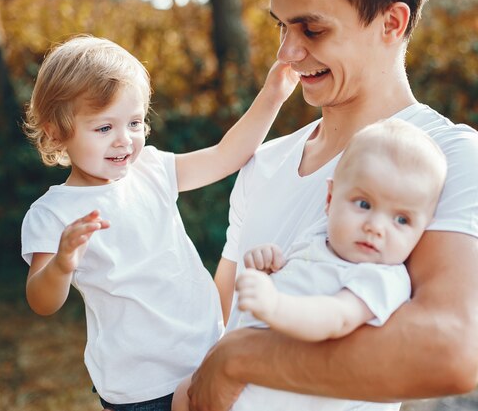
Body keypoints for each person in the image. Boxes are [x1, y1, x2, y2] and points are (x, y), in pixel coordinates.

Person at [186, 0, 478, 410]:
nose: (287, 52)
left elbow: (450, 352)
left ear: (391, 23)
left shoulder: (448, 154)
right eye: (280, 26)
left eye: (312, 29)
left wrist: (235, 362)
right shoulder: (265, 161)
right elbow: (220, 322)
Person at [20, 35, 297, 411]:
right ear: (56, 131)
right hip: (141, 389)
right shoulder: (53, 213)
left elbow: (224, 156)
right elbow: (41, 301)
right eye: (104, 128)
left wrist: (272, 95)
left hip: (206, 353)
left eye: (134, 122)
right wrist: (62, 264)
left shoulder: (151, 169)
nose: (124, 140)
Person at [173, 118, 448, 411]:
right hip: (250, 385)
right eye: (364, 205)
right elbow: (294, 278)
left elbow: (336, 316)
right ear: (330, 198)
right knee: (183, 392)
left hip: (295, 398)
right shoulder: (318, 238)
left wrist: (275, 305)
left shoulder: (382, 279)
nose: (376, 227)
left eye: (401, 219)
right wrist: (269, 267)